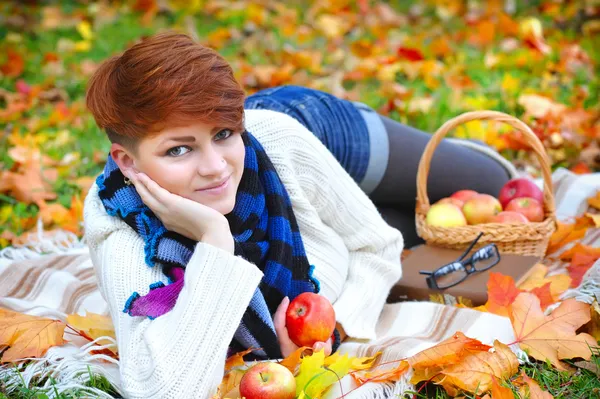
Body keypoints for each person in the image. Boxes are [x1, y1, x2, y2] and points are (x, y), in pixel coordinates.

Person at [83, 31, 515, 398]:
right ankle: (353, 204)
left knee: (492, 182)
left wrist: (335, 325)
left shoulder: (273, 139)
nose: (215, 166)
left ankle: (359, 182)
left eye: (224, 134)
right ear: (129, 162)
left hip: (314, 128)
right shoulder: (118, 227)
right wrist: (215, 239)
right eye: (179, 149)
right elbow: (165, 389)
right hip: (302, 187)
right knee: (415, 227)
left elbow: (374, 245)